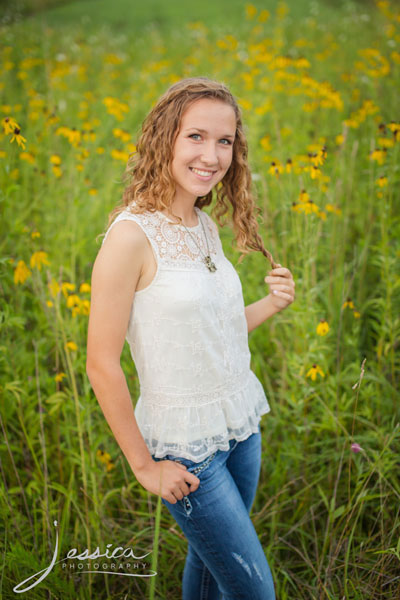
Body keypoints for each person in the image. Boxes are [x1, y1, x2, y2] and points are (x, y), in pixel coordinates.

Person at [86, 76, 295, 600]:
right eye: (196, 137)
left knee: (207, 574)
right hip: (187, 452)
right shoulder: (131, 236)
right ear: (165, 140)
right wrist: (144, 465)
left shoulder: (203, 226)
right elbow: (101, 363)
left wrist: (270, 304)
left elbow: (212, 335)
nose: (212, 155)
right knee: (255, 592)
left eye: (224, 141)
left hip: (240, 425)